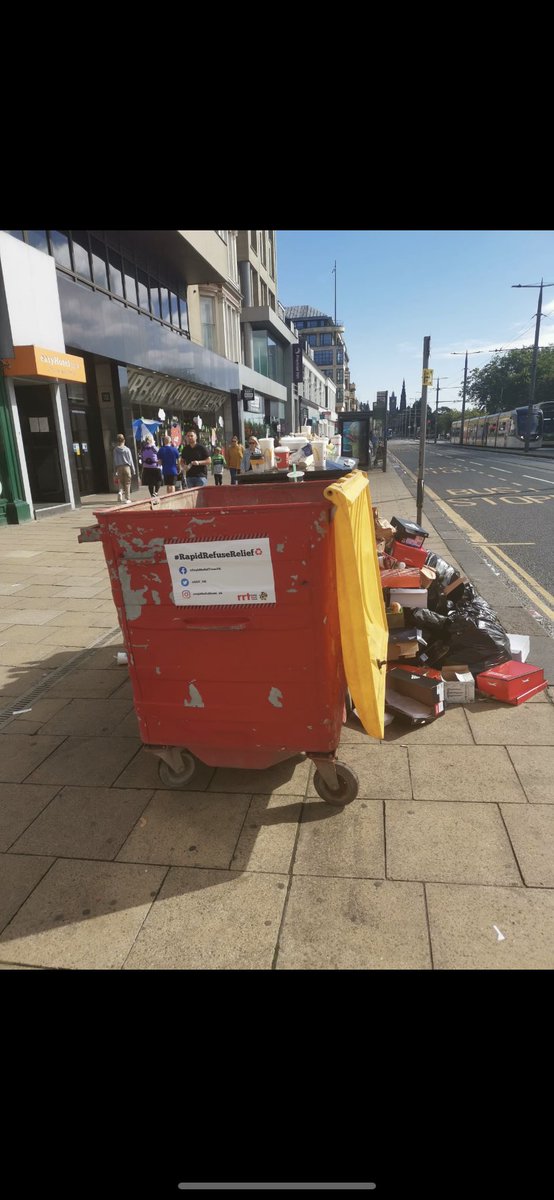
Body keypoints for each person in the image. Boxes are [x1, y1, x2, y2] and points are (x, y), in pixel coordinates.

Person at [112, 433, 136, 503]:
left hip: (119, 467)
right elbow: (130, 460)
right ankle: (127, 498)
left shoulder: (115, 450)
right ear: (124, 440)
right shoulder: (127, 449)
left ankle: (120, 492)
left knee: (121, 482)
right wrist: (133, 470)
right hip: (127, 467)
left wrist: (114, 470)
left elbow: (114, 460)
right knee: (127, 483)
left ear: (117, 441)